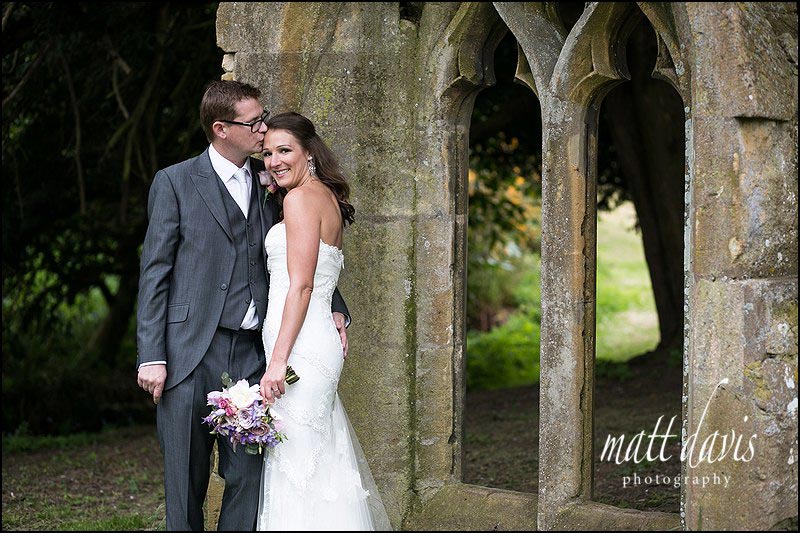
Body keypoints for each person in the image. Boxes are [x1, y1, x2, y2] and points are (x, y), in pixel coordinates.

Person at [135, 82, 351, 531]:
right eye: (253, 122)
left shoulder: (272, 184)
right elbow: (155, 272)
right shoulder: (174, 182)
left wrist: (335, 304)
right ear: (221, 129)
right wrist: (152, 355)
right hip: (186, 354)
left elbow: (305, 259)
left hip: (254, 354)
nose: (262, 129)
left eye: (263, 117)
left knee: (249, 478)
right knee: (185, 480)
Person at [257, 112, 391, 530]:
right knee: (317, 458)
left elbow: (301, 287)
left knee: (297, 463)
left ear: (309, 153)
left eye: (284, 151)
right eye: (267, 153)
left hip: (298, 347)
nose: (274, 161)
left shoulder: (298, 200)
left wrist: (277, 362)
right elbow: (322, 274)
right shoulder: (326, 197)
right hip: (315, 340)